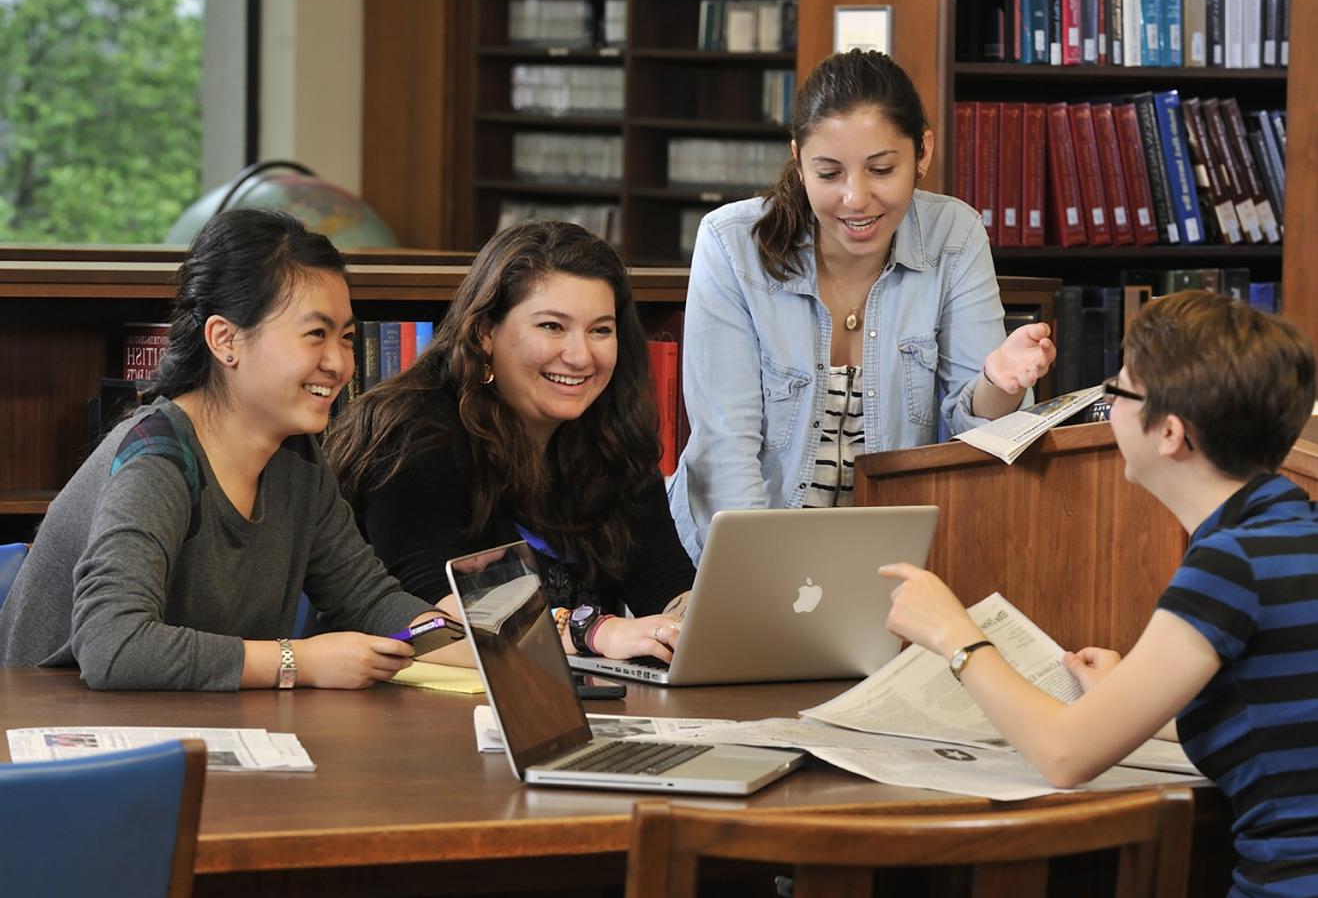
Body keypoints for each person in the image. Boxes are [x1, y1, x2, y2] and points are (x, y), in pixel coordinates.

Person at [884, 290, 1318, 897]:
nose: (1106, 404)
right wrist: (1121, 697)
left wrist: (955, 636)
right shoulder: (1288, 529)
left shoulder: (1232, 561)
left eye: (1118, 390)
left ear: (1169, 432)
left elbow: (1064, 755)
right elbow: (1269, 717)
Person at [0, 209, 441, 691]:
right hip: (56, 740)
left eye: (348, 338)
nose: (339, 363)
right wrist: (299, 661)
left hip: (186, 727)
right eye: (316, 334)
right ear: (225, 339)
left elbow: (371, 601)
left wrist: (486, 644)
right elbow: (114, 646)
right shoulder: (157, 458)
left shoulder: (297, 458)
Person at [668, 50, 1056, 562]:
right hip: (734, 552)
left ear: (922, 153)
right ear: (799, 162)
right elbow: (726, 449)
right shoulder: (730, 245)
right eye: (829, 174)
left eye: (880, 169)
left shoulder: (954, 236)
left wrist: (997, 384)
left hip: (888, 562)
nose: (856, 198)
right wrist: (755, 585)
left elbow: (979, 446)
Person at [326, 220, 693, 665]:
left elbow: (664, 580)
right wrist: (592, 631)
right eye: (552, 327)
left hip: (567, 702)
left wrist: (690, 618)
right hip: (414, 702)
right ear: (485, 333)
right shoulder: (412, 432)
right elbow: (431, 610)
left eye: (601, 330)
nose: (580, 356)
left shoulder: (613, 438)